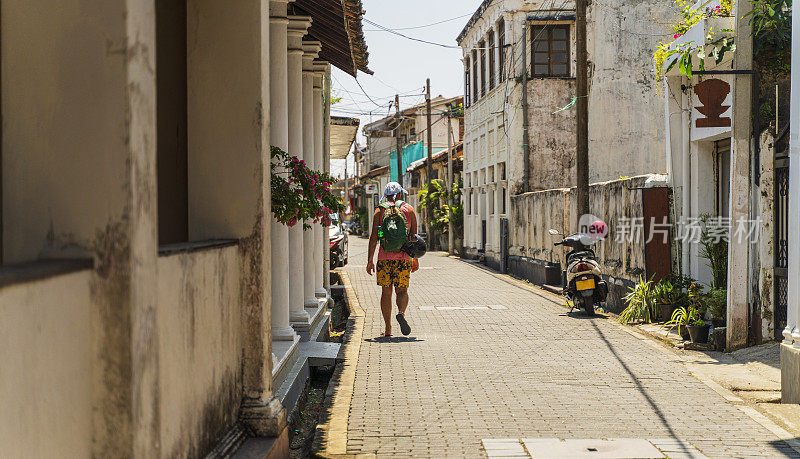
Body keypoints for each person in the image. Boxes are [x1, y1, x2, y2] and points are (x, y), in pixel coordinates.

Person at [366, 182, 419, 337]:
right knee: (402, 291)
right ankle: (401, 313)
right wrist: (414, 258)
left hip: (384, 258)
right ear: (400, 194)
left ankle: (388, 328)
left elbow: (374, 237)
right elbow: (413, 237)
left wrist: (370, 260)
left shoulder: (379, 210)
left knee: (386, 292)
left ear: (386, 194)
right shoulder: (409, 209)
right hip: (403, 259)